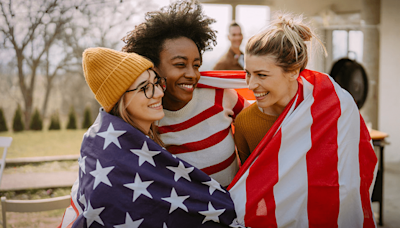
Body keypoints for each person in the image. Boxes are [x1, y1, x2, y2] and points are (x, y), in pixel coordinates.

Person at [59, 47, 237, 228]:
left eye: (157, 82)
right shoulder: (109, 154)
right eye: (145, 88)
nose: (160, 93)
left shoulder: (141, 139)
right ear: (120, 98)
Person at [228, 13, 378, 227]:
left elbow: (353, 174)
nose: (251, 85)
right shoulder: (245, 123)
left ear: (293, 71)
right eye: (247, 74)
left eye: (261, 75)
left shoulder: (335, 110)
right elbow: (248, 189)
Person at [122, 0, 249, 187]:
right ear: (153, 67)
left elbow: (258, 125)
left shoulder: (221, 96)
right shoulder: (144, 117)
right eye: (180, 64)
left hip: (233, 210)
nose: (192, 74)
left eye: (196, 65)